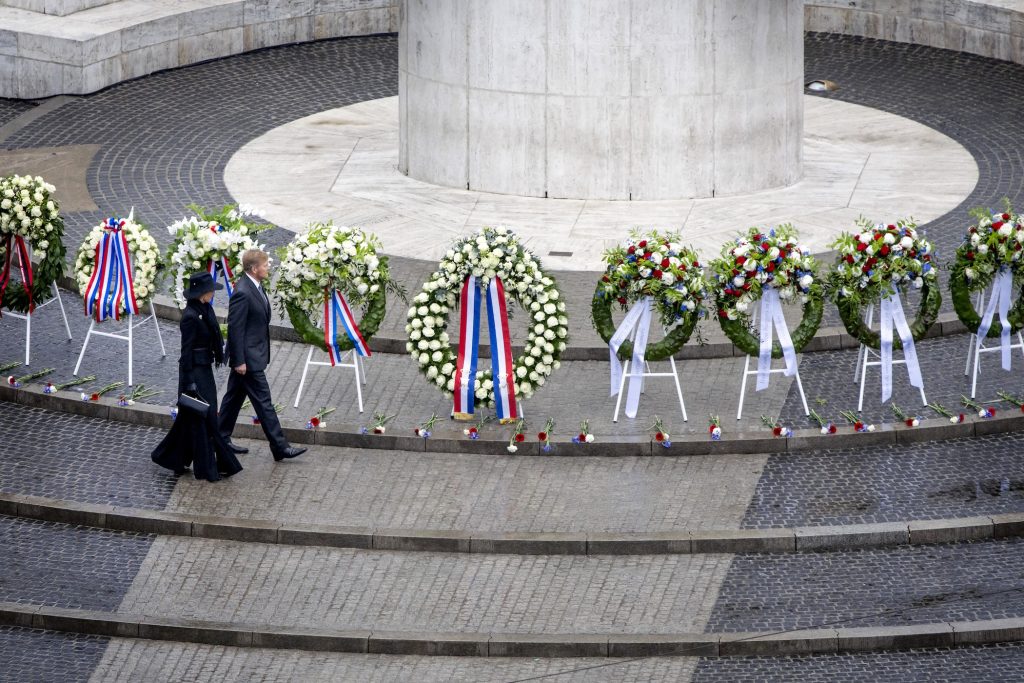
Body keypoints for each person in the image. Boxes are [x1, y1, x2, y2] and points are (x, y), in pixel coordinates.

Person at [152, 272, 243, 481]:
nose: (213, 293)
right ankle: (209, 467)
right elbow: (186, 354)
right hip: (194, 373)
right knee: (206, 417)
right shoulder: (190, 317)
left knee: (191, 419)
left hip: (205, 368)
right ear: (202, 293)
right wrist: (189, 381)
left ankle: (173, 459)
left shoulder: (205, 309)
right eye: (210, 290)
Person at [217, 248, 306, 461]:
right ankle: (280, 446)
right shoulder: (243, 292)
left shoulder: (255, 286)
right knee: (264, 402)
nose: (268, 268)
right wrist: (239, 360)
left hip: (252, 355)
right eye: (265, 265)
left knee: (232, 399)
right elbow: (235, 328)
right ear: (254, 268)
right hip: (248, 359)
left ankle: (219, 439)